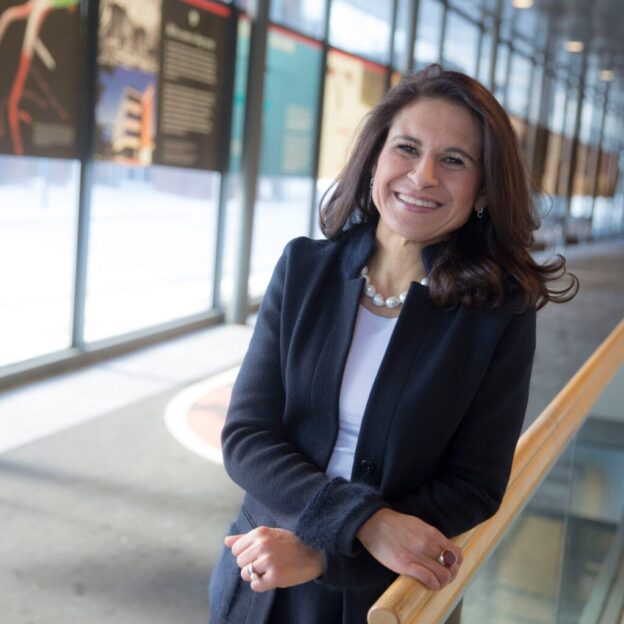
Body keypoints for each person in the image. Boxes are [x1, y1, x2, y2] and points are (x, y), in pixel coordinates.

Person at [208, 64, 578, 624]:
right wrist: (365, 522)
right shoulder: (304, 269)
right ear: (375, 158)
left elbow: (474, 485)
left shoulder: (499, 312)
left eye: (454, 160)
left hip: (389, 593)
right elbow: (247, 436)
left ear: (483, 188)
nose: (423, 175)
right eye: (407, 148)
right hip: (263, 571)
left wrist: (327, 552)